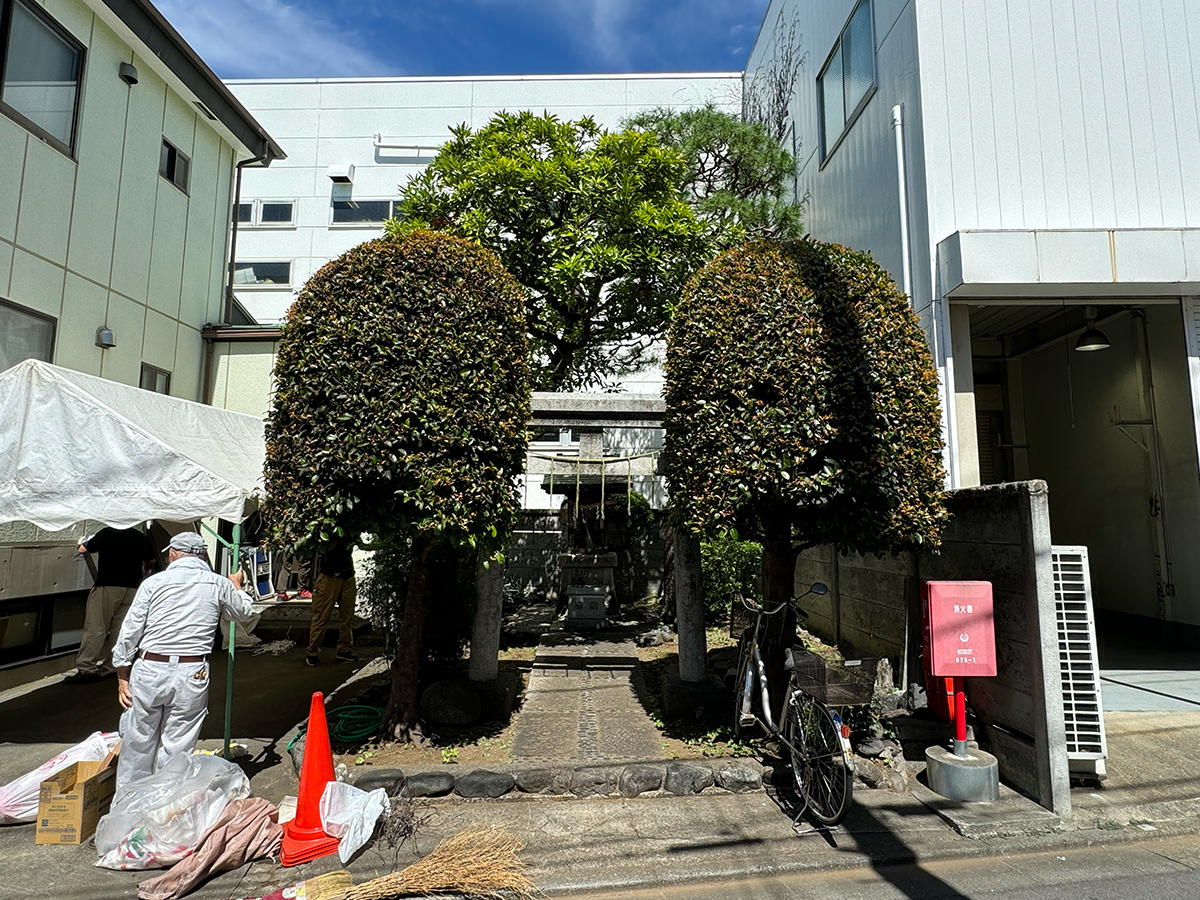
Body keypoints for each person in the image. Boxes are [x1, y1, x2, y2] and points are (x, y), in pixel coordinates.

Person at [111, 531, 256, 789]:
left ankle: (127, 806)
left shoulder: (154, 583)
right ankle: (166, 806)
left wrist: (122, 675)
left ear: (173, 554)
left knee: (137, 743)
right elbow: (243, 613)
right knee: (178, 745)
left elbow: (130, 630)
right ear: (201, 555)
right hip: (192, 670)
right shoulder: (218, 583)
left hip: (150, 667)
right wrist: (237, 587)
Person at [65, 525, 156, 684]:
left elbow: (82, 549)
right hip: (132, 588)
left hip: (108, 586)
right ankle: (111, 667)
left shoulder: (107, 533)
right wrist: (144, 573)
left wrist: (84, 542)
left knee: (96, 626)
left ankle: (87, 668)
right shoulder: (140, 537)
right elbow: (151, 561)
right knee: (119, 630)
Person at [306, 539, 358, 667]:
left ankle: (344, 649)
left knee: (347, 615)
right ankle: (312, 652)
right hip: (329, 575)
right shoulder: (329, 527)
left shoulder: (352, 528)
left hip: (347, 575)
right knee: (322, 615)